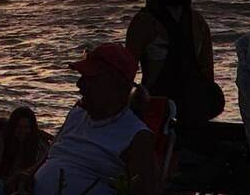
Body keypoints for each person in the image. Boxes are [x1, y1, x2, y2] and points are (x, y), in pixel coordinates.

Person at [32, 45, 160, 195]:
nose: (79, 84)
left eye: (89, 78)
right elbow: (53, 154)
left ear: (116, 85)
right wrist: (28, 175)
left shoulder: (135, 136)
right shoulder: (77, 114)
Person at [126, 0, 223, 129]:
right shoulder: (198, 21)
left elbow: (126, 73)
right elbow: (207, 74)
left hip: (158, 107)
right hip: (196, 106)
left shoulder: (144, 22)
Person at [0, 107, 48, 183]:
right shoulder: (2, 142)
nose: (22, 131)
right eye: (19, 127)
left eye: (26, 127)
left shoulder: (40, 146)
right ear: (12, 127)